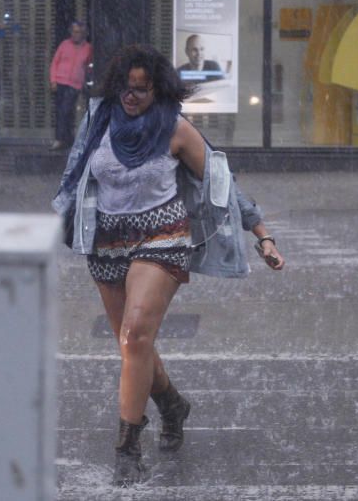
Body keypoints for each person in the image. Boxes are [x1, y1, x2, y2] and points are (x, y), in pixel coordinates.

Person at [53, 44, 284, 487]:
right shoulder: (98, 121)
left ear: (158, 90)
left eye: (141, 90)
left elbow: (223, 185)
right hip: (106, 242)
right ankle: (172, 404)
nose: (131, 97)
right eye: (126, 87)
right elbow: (73, 178)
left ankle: (127, 448)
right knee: (131, 346)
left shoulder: (175, 129)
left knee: (136, 333)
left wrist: (263, 235)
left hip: (161, 235)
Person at [49, 21, 93, 150]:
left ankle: (60, 139)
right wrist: (53, 80)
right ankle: (67, 139)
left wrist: (87, 81)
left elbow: (89, 67)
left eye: (78, 32)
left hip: (75, 84)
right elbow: (55, 62)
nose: (75, 34)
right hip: (60, 81)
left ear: (83, 34)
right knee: (62, 112)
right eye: (73, 31)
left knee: (65, 110)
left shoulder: (88, 48)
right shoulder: (64, 45)